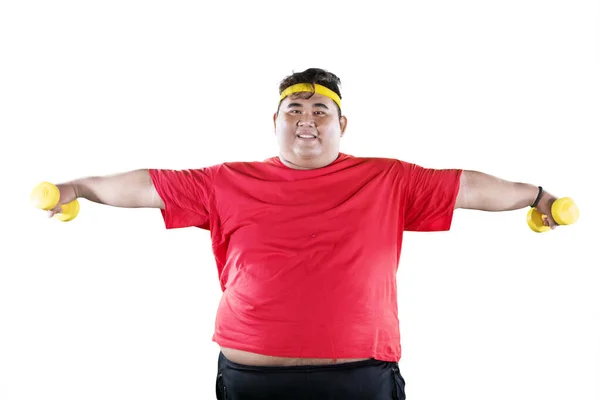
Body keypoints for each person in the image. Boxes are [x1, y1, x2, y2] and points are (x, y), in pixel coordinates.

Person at [44, 68, 562, 400]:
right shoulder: (228, 180)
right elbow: (146, 186)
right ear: (275, 120)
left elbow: (469, 188)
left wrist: (539, 197)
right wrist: (77, 187)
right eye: (295, 109)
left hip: (359, 377)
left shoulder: (387, 178)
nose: (307, 119)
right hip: (253, 380)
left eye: (321, 110)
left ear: (342, 123)